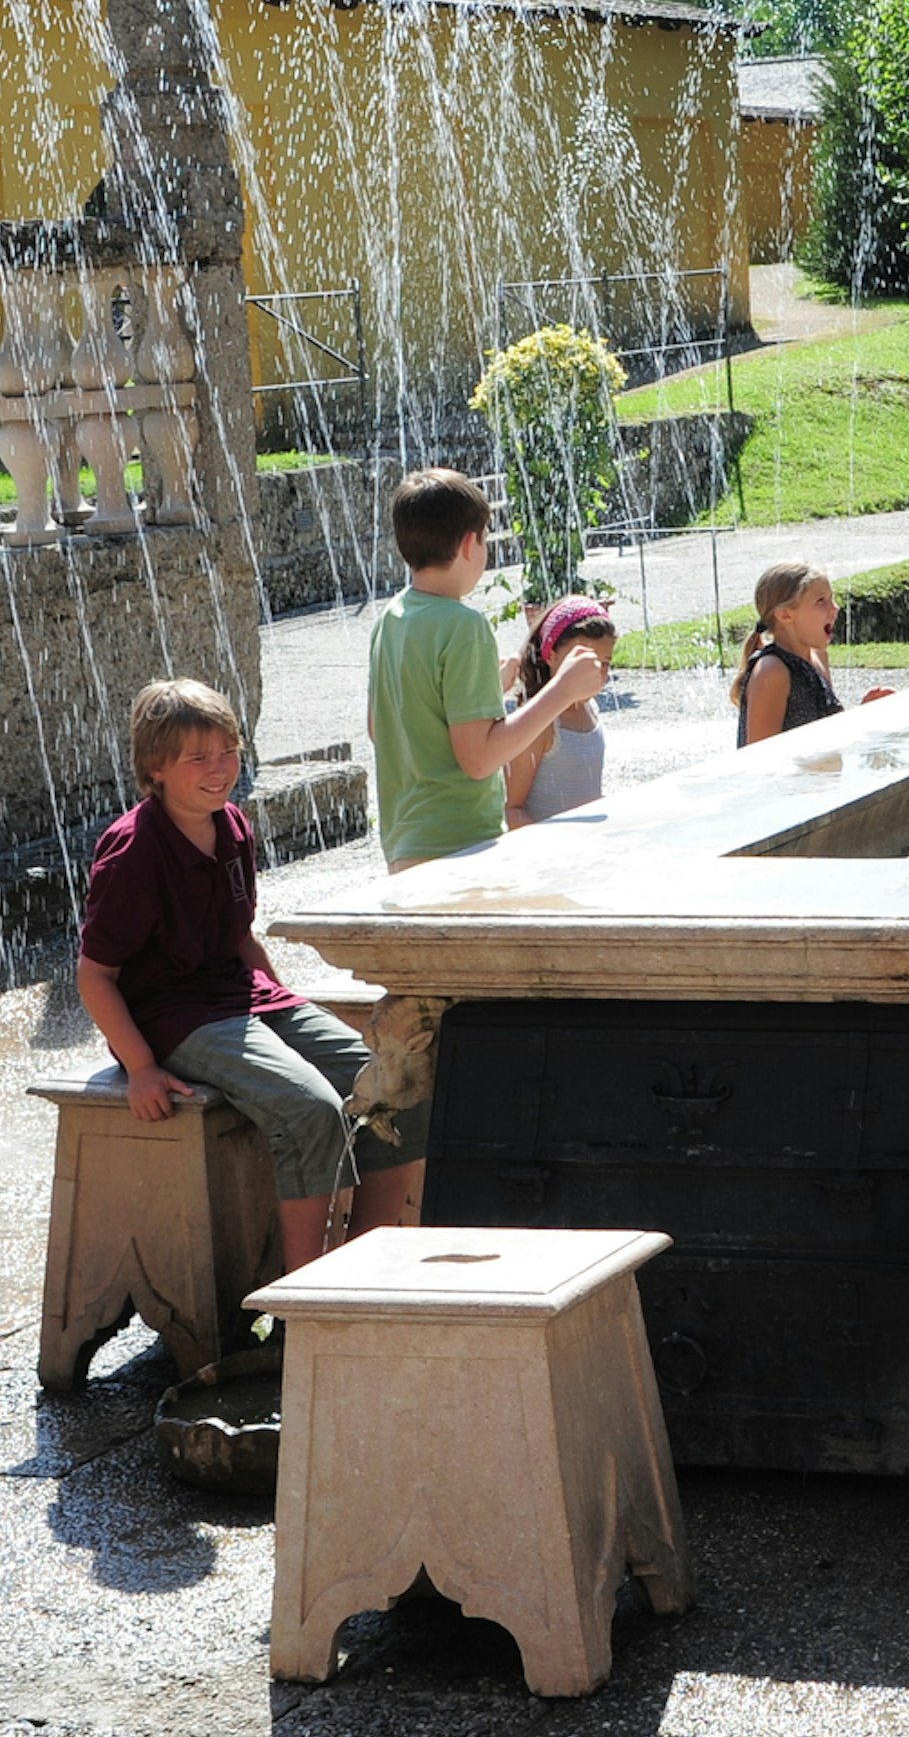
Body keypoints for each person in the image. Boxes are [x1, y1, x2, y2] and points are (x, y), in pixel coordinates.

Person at [77, 678, 419, 1273]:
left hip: (242, 998)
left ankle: (367, 1273)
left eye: (229, 750)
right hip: (175, 1018)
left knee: (397, 1081)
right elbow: (95, 974)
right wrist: (140, 1068)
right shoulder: (132, 852)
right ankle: (305, 1298)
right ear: (155, 768)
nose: (220, 767)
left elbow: (239, 935)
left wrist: (288, 1003)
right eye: (198, 758)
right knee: (310, 1105)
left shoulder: (231, 825)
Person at [368, 467, 607, 869]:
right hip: (461, 843)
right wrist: (561, 690)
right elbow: (479, 761)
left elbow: (382, 728)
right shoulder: (464, 627)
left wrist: (483, 696)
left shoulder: (390, 619)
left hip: (405, 841)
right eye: (485, 539)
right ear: (468, 545)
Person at [507, 594, 619, 826]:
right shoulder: (541, 722)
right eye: (580, 660)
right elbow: (510, 809)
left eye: (604, 663)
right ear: (552, 655)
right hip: (553, 852)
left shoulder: (590, 708)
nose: (594, 671)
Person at [734, 561, 845, 745]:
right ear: (785, 615)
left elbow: (829, 734)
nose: (835, 608)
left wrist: (866, 712)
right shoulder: (772, 671)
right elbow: (759, 758)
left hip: (820, 773)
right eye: (821, 601)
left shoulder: (818, 658)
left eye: (831, 598)